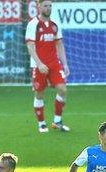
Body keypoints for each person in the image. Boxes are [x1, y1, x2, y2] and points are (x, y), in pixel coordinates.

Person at [26, 0, 70, 133]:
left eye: (50, 6)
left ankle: (57, 121)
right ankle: (41, 123)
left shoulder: (55, 24)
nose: (48, 8)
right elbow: (30, 46)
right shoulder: (33, 24)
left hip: (54, 63)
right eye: (45, 5)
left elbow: (59, 45)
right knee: (39, 93)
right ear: (39, 6)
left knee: (62, 89)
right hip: (39, 64)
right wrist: (39, 63)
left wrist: (65, 64)